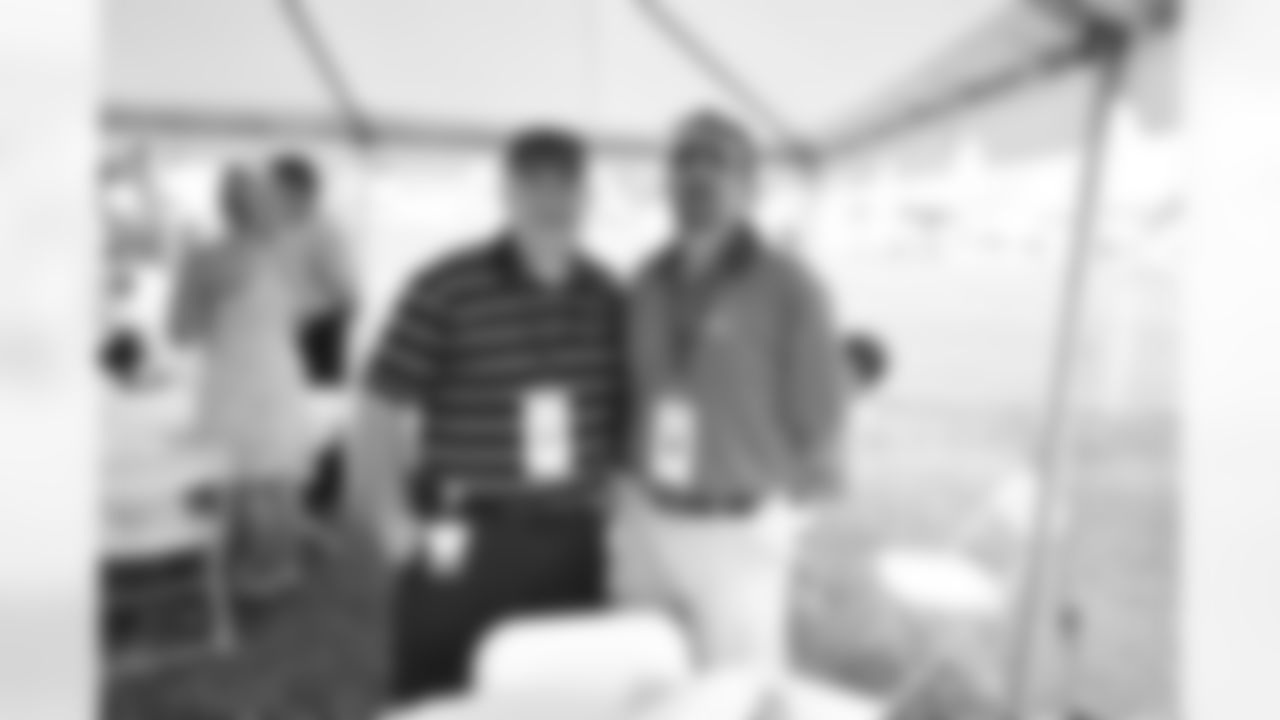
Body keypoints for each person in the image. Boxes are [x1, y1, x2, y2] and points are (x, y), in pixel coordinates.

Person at [347, 127, 629, 702]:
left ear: (587, 196)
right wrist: (389, 520)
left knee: (561, 694)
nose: (551, 200)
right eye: (534, 183)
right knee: (444, 691)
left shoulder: (609, 294)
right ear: (507, 193)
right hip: (466, 533)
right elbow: (381, 401)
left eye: (566, 184)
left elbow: (625, 408)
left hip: (574, 538)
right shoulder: (445, 286)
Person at [615, 111, 849, 717]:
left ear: (750, 186)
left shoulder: (793, 286)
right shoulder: (645, 279)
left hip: (736, 533)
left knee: (736, 698)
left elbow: (824, 422)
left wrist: (779, 526)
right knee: (645, 688)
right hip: (647, 520)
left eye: (716, 162)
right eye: (683, 162)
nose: (696, 175)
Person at [168, 164, 316, 593]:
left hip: (231, 373)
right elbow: (300, 315)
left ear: (222, 206)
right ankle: (279, 567)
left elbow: (180, 332)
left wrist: (190, 282)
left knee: (240, 478)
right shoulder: (290, 252)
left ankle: (248, 570)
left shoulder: (204, 258)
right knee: (278, 478)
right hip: (280, 371)